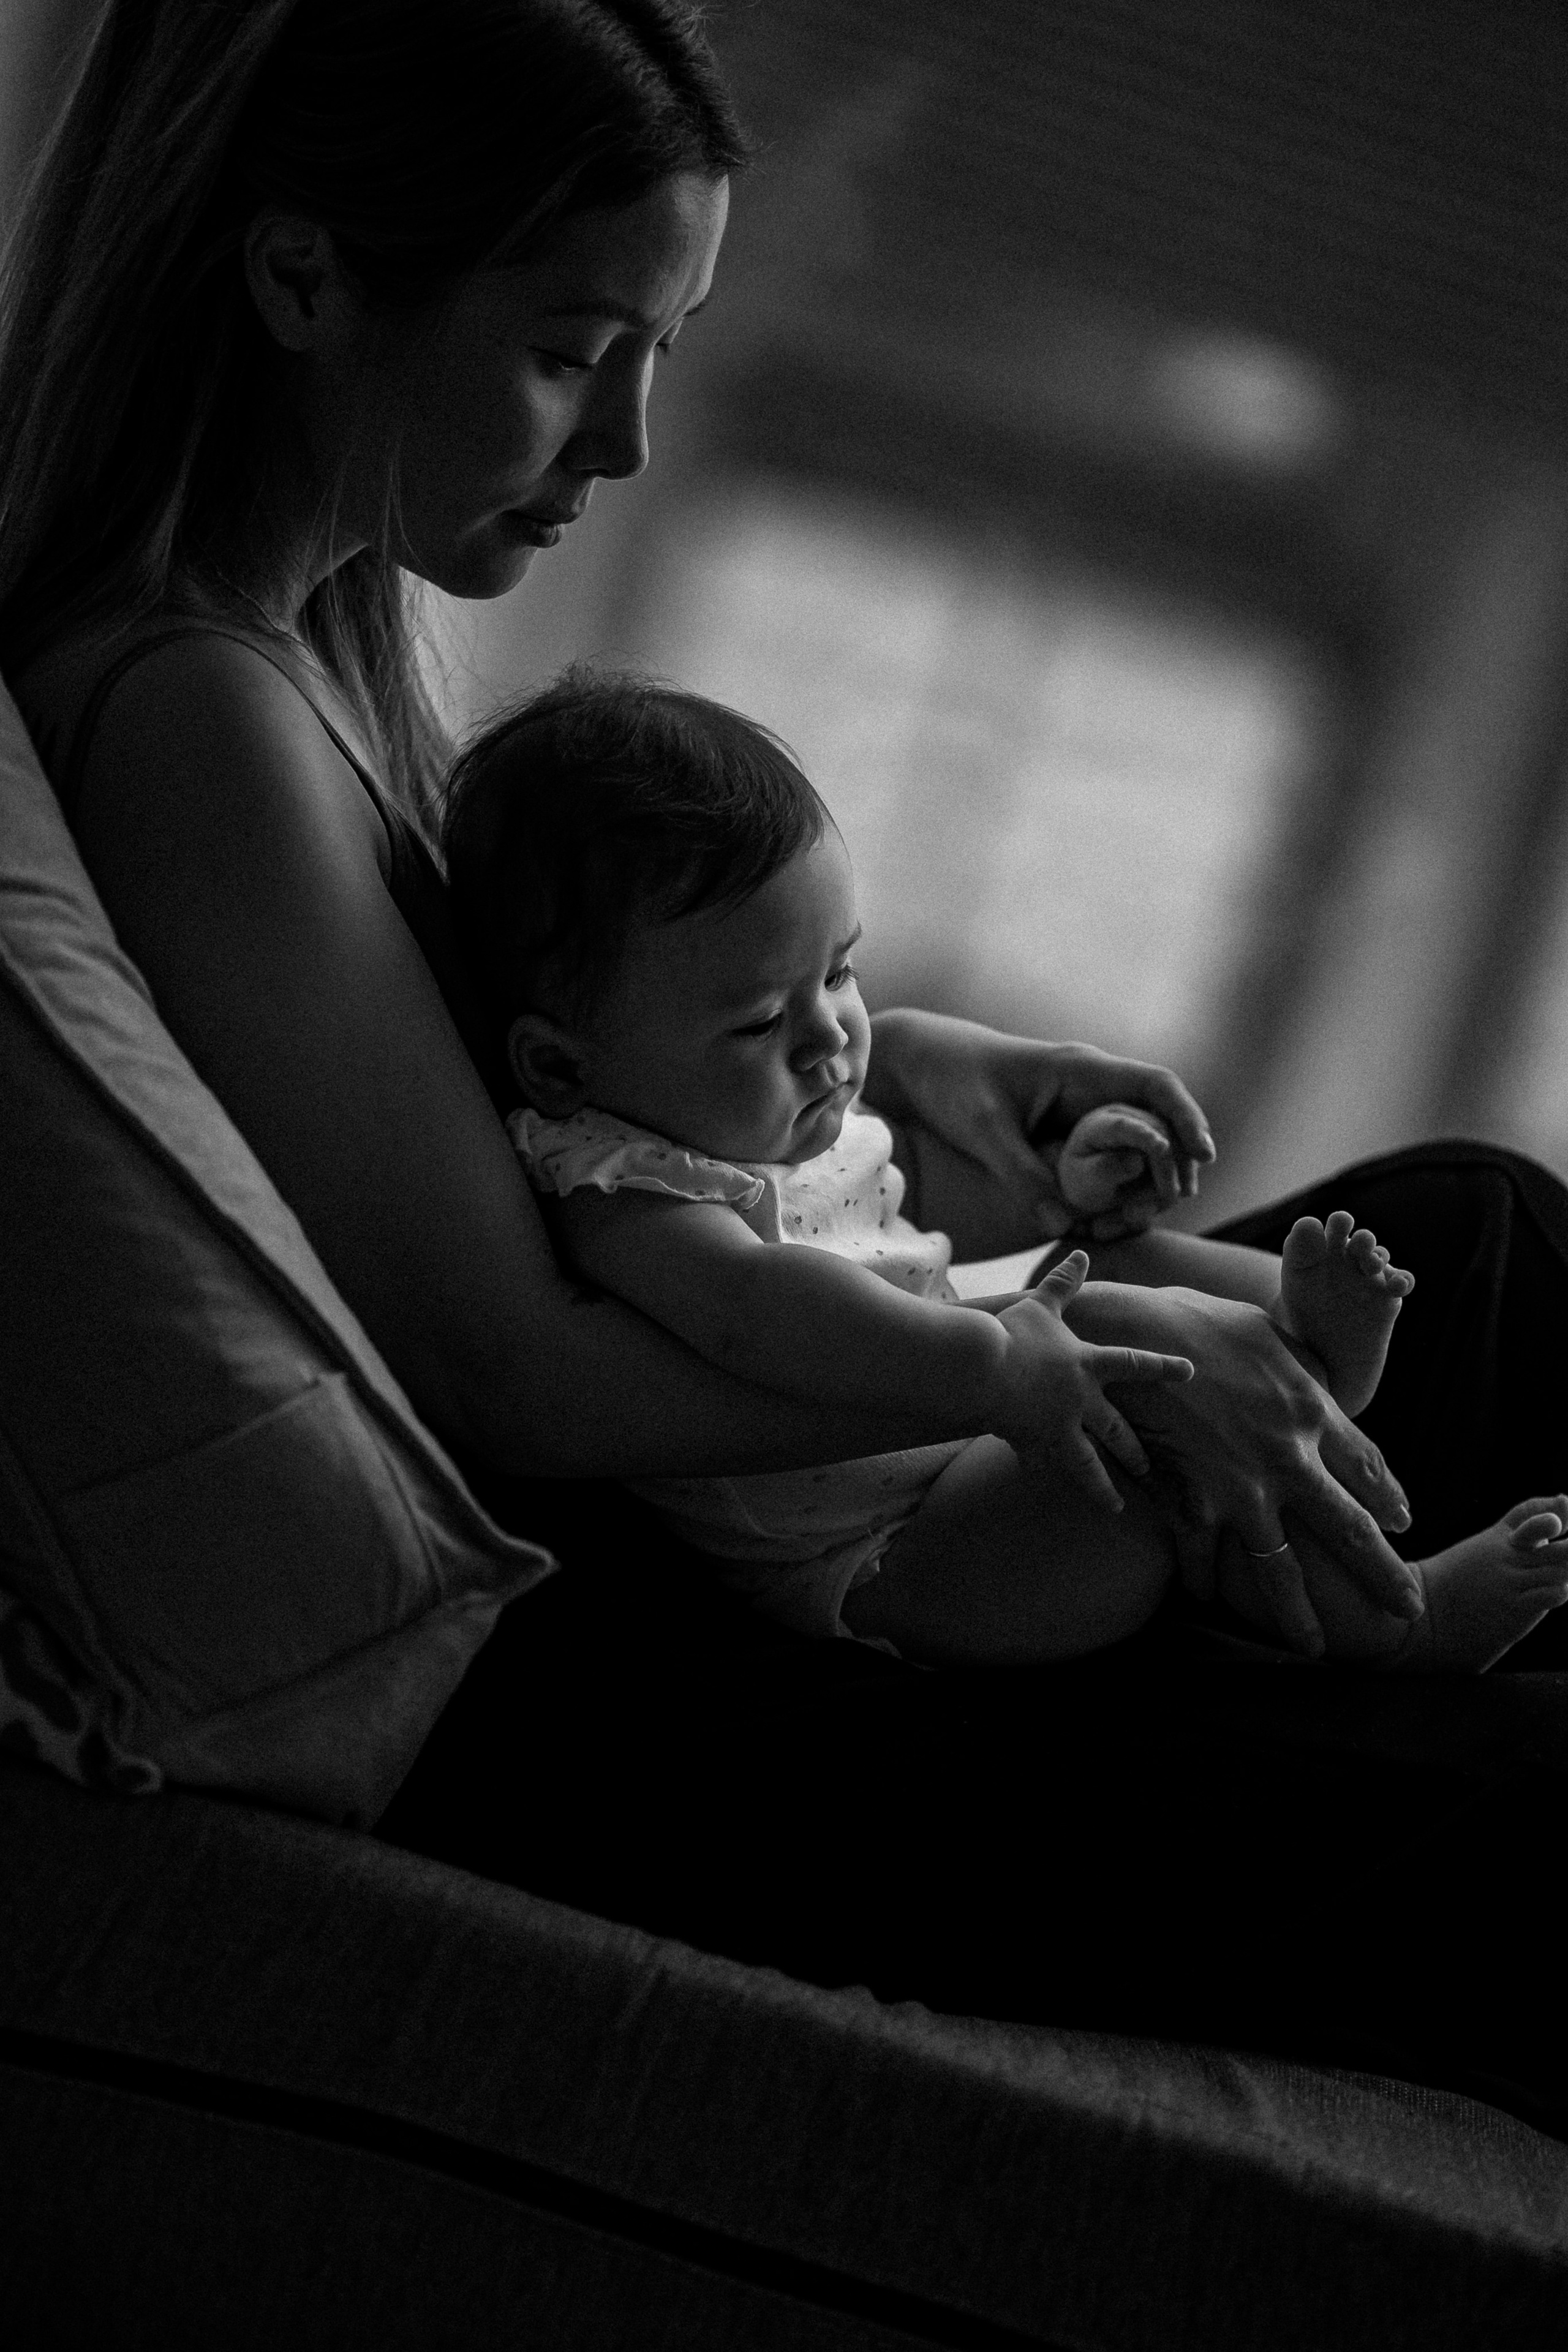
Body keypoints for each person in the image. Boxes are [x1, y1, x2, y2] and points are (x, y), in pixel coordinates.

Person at [2, 0, 1567, 2135]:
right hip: (689, 1682)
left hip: (749, 1548)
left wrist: (889, 1068)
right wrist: (1040, 1372)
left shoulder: (323, 671)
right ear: (297, 278)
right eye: (571, 349)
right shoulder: (201, 714)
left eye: (661, 345)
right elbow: (515, 1380)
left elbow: (529, 1124)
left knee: (1479, 1238)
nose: (632, 437)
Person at [445, 666, 1568, 1672]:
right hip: (904, 1551)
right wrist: (992, 1366)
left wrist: (1071, 1188)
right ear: (559, 1065)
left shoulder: (781, 1114)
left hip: (973, 1432)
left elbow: (932, 1222)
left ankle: (1309, 1347)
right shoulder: (621, 1181)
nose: (829, 1039)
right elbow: (758, 1314)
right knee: (1155, 1421)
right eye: (755, 1025)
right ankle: (1401, 1619)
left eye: (838, 975)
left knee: (1145, 1275)